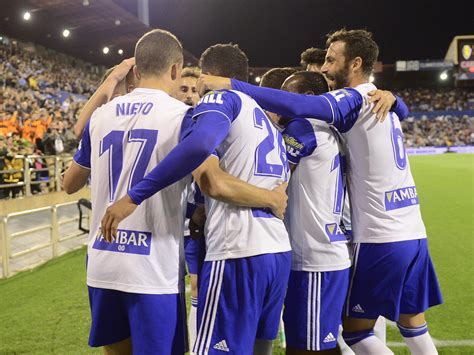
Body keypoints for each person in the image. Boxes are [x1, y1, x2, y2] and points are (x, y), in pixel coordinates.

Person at [198, 28, 442, 355]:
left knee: (354, 335)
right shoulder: (376, 101)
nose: (325, 68)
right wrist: (397, 100)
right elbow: (402, 110)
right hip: (411, 231)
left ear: (355, 63)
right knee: (409, 324)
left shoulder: (350, 101)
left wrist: (232, 86)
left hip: (374, 238)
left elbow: (298, 106)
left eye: (331, 59)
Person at [102, 43, 292, 355]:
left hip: (237, 252)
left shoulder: (219, 98)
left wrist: (134, 196)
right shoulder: (263, 117)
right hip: (276, 252)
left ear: (208, 75)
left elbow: (205, 163)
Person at [63, 29, 193, 355]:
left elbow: (69, 184)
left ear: (136, 70)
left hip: (104, 262)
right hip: (154, 265)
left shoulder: (100, 117)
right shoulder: (184, 116)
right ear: (176, 69)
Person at [279, 71, 351, 354]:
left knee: (306, 348)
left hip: (314, 257)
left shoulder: (303, 126)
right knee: (318, 343)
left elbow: (275, 181)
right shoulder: (331, 129)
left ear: (307, 98)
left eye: (287, 94)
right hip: (327, 251)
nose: (281, 101)